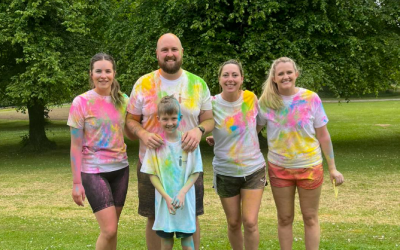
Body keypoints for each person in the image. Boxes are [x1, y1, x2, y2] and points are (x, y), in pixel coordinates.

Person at [125, 33, 214, 250]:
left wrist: (199, 130)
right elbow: (130, 121)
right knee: (154, 217)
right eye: (164, 50)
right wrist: (144, 135)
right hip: (152, 164)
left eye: (174, 49)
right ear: (157, 54)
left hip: (188, 165)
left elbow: (210, 120)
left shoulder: (198, 83)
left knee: (191, 216)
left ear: (182, 52)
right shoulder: (143, 83)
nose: (170, 54)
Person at [257, 57, 345, 250]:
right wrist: (223, 140)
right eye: (280, 73)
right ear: (274, 78)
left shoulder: (311, 98)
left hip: (310, 167)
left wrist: (333, 168)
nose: (285, 76)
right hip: (279, 168)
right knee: (285, 218)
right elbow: (251, 132)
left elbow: (324, 136)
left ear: (296, 74)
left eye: (289, 72)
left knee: (310, 217)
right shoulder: (266, 102)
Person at [68, 53, 130, 250]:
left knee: (112, 229)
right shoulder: (81, 102)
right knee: (109, 229)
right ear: (91, 74)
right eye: (98, 71)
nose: (103, 75)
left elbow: (132, 131)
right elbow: (75, 145)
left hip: (121, 169)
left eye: (108, 71)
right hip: (93, 170)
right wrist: (77, 182)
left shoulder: (123, 100)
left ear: (114, 73)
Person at [205, 59, 267, 250]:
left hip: (253, 169)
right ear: (219, 79)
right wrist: (221, 140)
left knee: (249, 221)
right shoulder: (212, 103)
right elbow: (206, 124)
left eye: (234, 75)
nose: (230, 79)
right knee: (233, 222)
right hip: (225, 172)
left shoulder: (251, 98)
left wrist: (242, 139)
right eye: (226, 75)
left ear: (241, 79)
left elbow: (258, 124)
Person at [141, 95, 202, 250]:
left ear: (180, 117)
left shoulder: (189, 142)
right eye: (165, 119)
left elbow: (195, 172)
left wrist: (182, 193)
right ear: (158, 119)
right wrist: (167, 197)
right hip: (164, 203)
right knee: (166, 243)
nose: (170, 123)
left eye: (174, 118)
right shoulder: (155, 144)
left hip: (185, 202)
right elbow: (152, 174)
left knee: (187, 242)